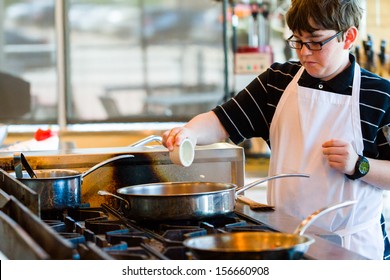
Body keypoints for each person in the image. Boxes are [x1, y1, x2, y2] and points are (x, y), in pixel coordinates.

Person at [162, 0, 390, 260]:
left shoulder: (380, 96)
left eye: (315, 42)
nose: (304, 52)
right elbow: (221, 121)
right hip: (284, 240)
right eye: (298, 40)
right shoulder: (277, 82)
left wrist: (359, 165)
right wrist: (188, 133)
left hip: (353, 249)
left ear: (347, 37)